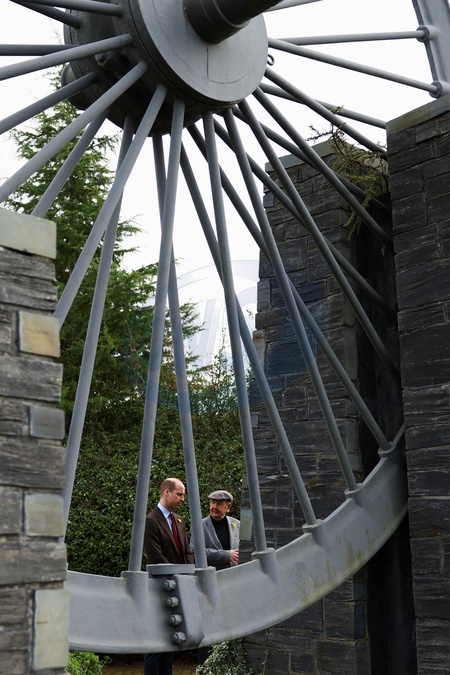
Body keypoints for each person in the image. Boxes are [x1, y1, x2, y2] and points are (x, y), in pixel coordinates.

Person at [143, 477, 194, 675]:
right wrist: (178, 576)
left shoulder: (179, 520)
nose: (182, 499)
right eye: (179, 494)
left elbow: (187, 551)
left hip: (179, 587)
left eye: (183, 495)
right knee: (155, 642)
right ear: (166, 492)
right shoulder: (150, 520)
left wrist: (188, 575)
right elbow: (156, 556)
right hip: (160, 588)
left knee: (170, 641)